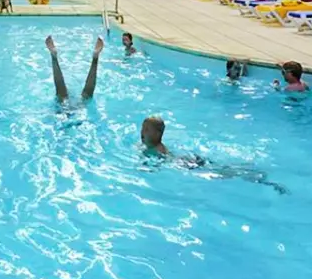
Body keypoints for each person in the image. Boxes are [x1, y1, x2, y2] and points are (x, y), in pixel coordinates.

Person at [140, 116, 287, 193]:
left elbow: (155, 166)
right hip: (188, 160)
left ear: (158, 134)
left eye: (146, 129)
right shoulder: (153, 146)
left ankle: (262, 180)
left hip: (187, 164)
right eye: (142, 128)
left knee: (224, 173)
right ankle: (251, 172)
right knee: (222, 169)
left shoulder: (158, 150)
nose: (142, 132)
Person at [46, 35, 104, 101]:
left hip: (64, 107)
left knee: (62, 96)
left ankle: (54, 56)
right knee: (86, 96)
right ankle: (95, 57)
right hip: (79, 106)